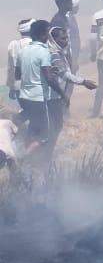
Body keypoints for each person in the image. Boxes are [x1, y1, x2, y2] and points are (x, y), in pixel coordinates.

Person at [17, 20, 73, 159]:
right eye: (48, 33)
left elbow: (18, 74)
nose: (49, 36)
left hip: (24, 96)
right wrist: (63, 95)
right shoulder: (44, 52)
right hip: (39, 98)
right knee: (45, 134)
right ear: (43, 35)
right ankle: (24, 157)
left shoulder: (23, 51)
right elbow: (49, 78)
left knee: (34, 128)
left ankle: (31, 155)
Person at [47, 26, 97, 114]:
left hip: (55, 95)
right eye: (62, 38)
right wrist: (83, 82)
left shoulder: (59, 52)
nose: (66, 41)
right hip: (53, 96)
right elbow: (64, 74)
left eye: (67, 38)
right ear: (53, 39)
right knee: (55, 123)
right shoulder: (54, 54)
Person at [6, 20, 32, 102]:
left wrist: (11, 88)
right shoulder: (36, 44)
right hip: (35, 87)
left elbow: (11, 69)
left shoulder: (13, 45)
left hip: (18, 86)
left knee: (25, 110)